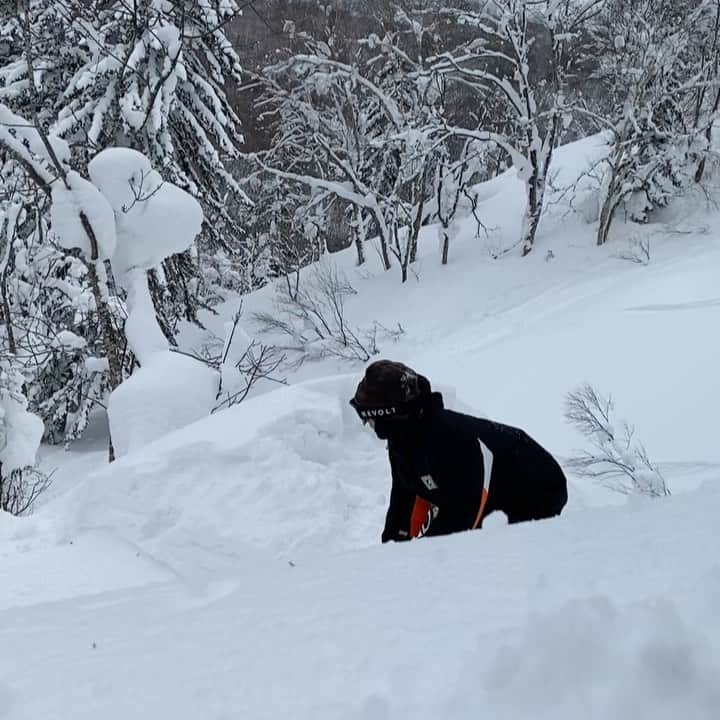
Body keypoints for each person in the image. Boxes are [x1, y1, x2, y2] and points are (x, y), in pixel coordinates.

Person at [349, 360, 568, 542]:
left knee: (490, 553)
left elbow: (461, 519)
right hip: (482, 487)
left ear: (387, 415)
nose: (367, 423)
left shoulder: (448, 441)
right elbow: (404, 494)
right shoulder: (401, 439)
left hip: (537, 488)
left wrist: (422, 557)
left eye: (367, 417)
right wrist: (392, 546)